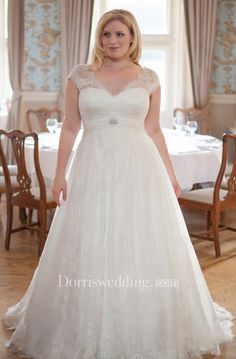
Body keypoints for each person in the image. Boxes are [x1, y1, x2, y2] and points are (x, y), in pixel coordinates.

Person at [3, 9, 233, 359]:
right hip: (92, 164)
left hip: (139, 166)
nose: (112, 41)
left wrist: (170, 173)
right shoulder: (79, 76)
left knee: (139, 237)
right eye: (107, 34)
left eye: (120, 35)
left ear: (132, 38)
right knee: (89, 236)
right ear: (99, 37)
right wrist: (61, 173)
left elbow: (153, 129)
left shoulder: (149, 78)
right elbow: (69, 127)